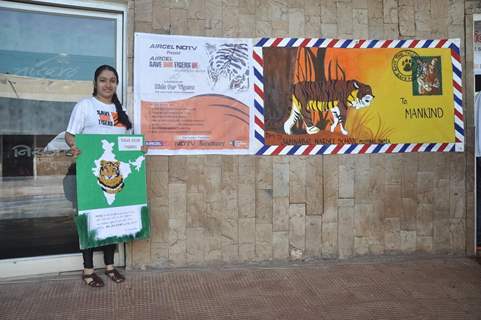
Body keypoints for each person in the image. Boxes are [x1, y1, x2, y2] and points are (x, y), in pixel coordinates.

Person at [65, 65, 132, 287]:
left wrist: (140, 149)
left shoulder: (121, 112)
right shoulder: (85, 106)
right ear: (95, 83)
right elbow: (70, 135)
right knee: (89, 220)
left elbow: (127, 144)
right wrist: (74, 147)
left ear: (116, 84)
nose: (108, 84)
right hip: (88, 173)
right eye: (103, 80)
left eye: (112, 80)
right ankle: (88, 270)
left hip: (113, 176)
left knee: (110, 220)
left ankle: (110, 267)